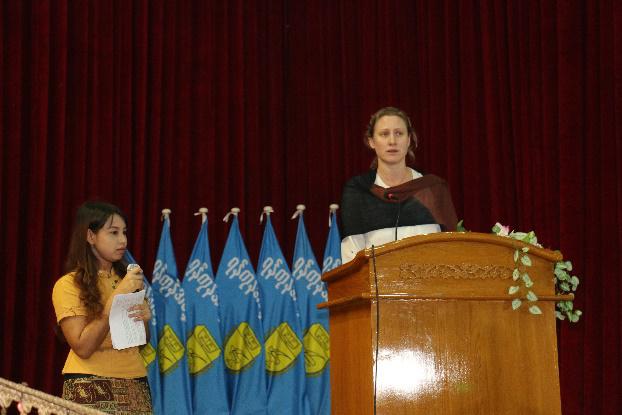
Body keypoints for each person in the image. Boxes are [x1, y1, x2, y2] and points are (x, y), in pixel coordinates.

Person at [52, 201, 153, 414]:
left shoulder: (128, 279)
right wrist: (116, 299)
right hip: (87, 385)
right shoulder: (68, 285)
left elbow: (139, 342)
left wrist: (144, 321)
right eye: (113, 232)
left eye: (124, 232)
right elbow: (83, 347)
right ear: (90, 236)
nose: (123, 240)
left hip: (135, 382)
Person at [340, 107, 458, 263]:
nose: (392, 141)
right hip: (376, 285)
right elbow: (351, 254)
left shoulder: (433, 188)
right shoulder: (358, 192)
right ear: (371, 141)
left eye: (399, 133)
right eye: (384, 134)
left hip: (429, 284)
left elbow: (451, 248)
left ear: (409, 140)